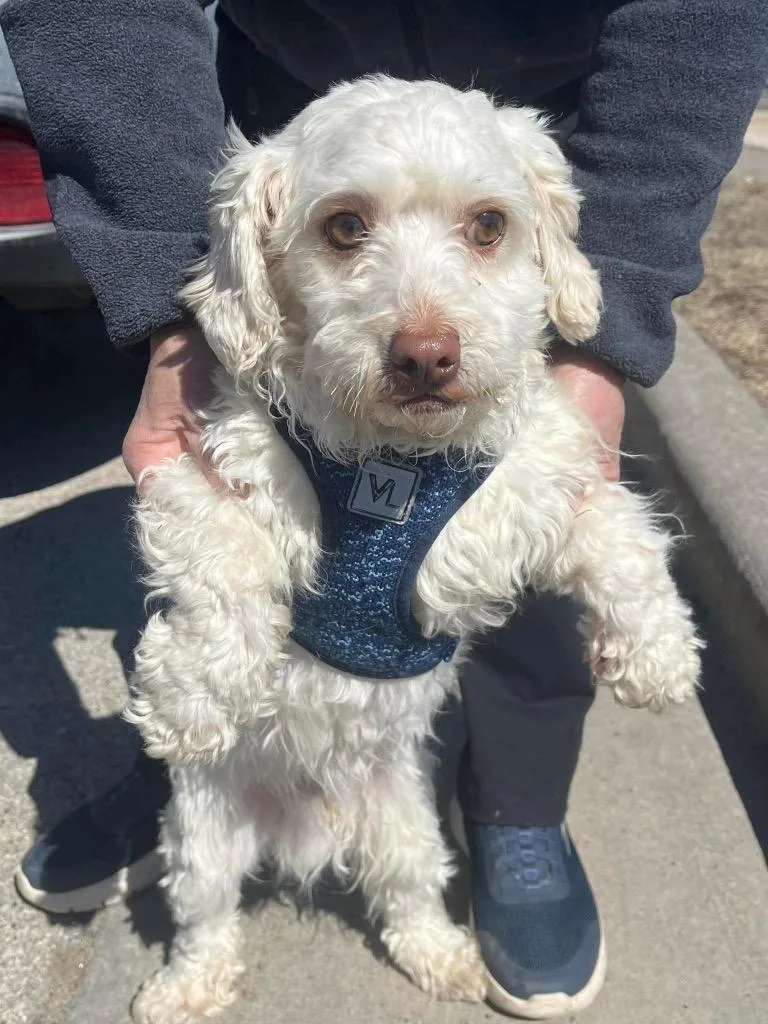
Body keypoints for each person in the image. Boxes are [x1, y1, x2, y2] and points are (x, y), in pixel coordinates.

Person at [2, 0, 766, 1017]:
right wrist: (173, 317)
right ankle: (202, 942)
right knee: (204, 799)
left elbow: (575, 506)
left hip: (560, 70)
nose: (423, 328)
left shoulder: (515, 404)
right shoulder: (266, 399)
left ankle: (509, 818)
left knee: (405, 826)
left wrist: (635, 591)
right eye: (348, 231)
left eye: (484, 229)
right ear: (269, 243)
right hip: (284, 69)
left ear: (536, 231)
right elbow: (200, 496)